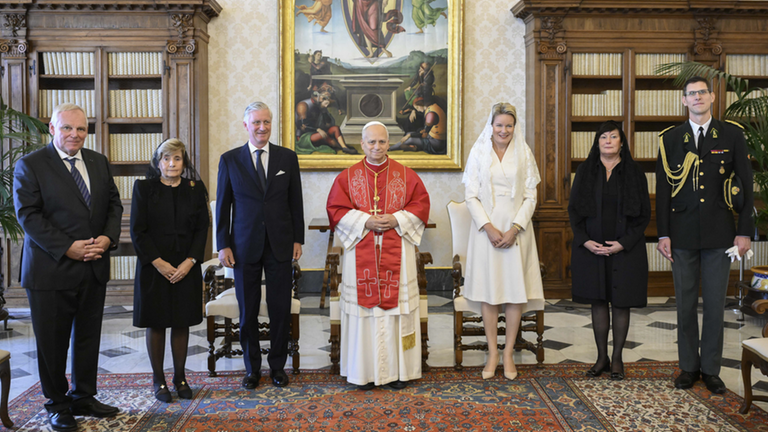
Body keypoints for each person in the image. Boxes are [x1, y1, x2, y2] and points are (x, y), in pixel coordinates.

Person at [13, 103, 123, 431]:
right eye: (67, 128)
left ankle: (84, 396)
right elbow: (28, 215)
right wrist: (68, 248)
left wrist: (107, 238)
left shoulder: (98, 162)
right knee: (52, 342)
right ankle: (58, 404)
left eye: (81, 129)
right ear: (52, 128)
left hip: (93, 266)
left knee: (88, 338)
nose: (74, 135)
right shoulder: (31, 165)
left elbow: (114, 205)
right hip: (51, 270)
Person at [656, 76, 753, 394]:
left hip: (719, 234)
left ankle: (711, 369)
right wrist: (663, 234)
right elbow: (663, 191)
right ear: (684, 101)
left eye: (702, 93)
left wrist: (744, 233)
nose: (697, 98)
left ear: (712, 97)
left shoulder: (731, 134)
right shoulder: (670, 139)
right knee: (684, 305)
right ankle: (688, 367)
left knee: (714, 305)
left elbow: (746, 185)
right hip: (681, 234)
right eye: (691, 94)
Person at [326, 121, 430, 390]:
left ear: (388, 143)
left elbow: (420, 205)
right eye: (371, 142)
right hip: (362, 252)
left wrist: (396, 219)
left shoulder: (405, 175)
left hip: (398, 255)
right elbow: (336, 210)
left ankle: (398, 372)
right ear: (362, 143)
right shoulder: (347, 177)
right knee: (364, 312)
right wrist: (365, 221)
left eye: (382, 141)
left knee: (397, 312)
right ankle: (363, 372)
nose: (377, 147)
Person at [216, 102, 305, 389]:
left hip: (280, 244)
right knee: (248, 310)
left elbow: (296, 203)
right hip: (243, 246)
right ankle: (252, 368)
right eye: (256, 123)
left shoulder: (287, 158)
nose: (262, 127)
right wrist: (223, 245)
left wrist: (297, 239)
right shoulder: (230, 160)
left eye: (266, 122)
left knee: (280, 309)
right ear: (246, 125)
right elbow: (223, 208)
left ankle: (277, 367)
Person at [461, 102, 544, 381]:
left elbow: (531, 196)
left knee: (512, 290)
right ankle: (492, 352)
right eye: (499, 125)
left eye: (509, 125)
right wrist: (488, 226)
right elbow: (471, 195)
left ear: (514, 126)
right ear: (491, 125)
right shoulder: (479, 151)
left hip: (516, 230)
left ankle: (508, 352)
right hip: (487, 231)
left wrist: (515, 228)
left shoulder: (524, 152)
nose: (504, 130)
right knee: (490, 291)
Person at [568, 121, 651, 381]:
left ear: (622, 142)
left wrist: (622, 243)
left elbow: (644, 215)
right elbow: (574, 210)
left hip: (625, 249)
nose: (607, 141)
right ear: (597, 142)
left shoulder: (635, 172)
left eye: (613, 137)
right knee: (598, 300)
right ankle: (601, 357)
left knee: (621, 303)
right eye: (602, 137)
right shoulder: (585, 170)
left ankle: (617, 359)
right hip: (591, 248)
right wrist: (585, 241)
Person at [130, 138, 209, 402]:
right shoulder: (143, 188)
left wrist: (190, 262)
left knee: (181, 321)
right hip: (154, 268)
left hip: (187, 267)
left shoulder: (195, 189)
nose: (172, 163)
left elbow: (202, 229)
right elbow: (137, 231)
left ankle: (180, 377)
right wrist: (159, 262)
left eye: (177, 158)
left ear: (184, 162)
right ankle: (158, 380)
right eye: (166, 158)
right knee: (156, 321)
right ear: (158, 162)